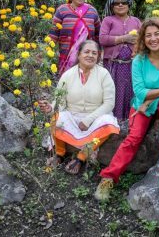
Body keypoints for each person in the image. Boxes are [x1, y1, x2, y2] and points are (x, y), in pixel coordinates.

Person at [94, 18, 159, 200]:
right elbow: (140, 91)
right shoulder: (139, 60)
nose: (153, 38)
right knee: (133, 138)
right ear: (143, 38)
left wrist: (150, 99)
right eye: (148, 35)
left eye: (157, 34)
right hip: (141, 107)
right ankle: (108, 177)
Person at [39, 40, 120, 174]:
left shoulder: (104, 74)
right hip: (73, 116)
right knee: (57, 118)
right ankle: (60, 153)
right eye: (86, 52)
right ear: (79, 55)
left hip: (95, 119)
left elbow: (109, 103)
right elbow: (59, 101)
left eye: (94, 53)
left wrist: (88, 120)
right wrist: (50, 108)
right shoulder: (68, 75)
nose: (90, 55)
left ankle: (81, 157)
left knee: (109, 123)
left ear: (98, 56)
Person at [100, 0, 141, 121]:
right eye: (116, 3)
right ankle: (112, 120)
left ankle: (129, 120)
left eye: (123, 2)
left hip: (131, 64)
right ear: (112, 6)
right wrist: (124, 38)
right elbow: (102, 39)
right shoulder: (108, 20)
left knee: (129, 91)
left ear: (129, 4)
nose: (120, 5)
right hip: (113, 65)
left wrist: (137, 49)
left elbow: (142, 40)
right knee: (114, 92)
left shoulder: (136, 21)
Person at [49, 0, 101, 76]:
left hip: (88, 57)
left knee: (86, 83)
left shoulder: (92, 11)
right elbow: (53, 34)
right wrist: (46, 51)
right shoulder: (62, 10)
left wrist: (98, 53)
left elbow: (98, 35)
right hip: (66, 56)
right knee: (67, 84)